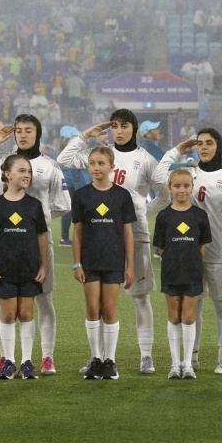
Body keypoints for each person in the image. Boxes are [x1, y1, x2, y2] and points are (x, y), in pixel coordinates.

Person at [59, 110, 169, 375]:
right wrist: (86, 135)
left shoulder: (146, 159)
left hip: (134, 232)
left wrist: (141, 212)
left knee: (140, 296)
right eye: (115, 126)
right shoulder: (101, 153)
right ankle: (99, 358)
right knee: (98, 302)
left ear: (134, 129)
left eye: (125, 126)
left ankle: (146, 355)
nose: (119, 131)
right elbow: (64, 159)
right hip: (99, 234)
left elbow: (164, 195)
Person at [0, 115, 69, 376]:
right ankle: (5, 357)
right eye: (18, 130)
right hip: (6, 242)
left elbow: (63, 204)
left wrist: (36, 222)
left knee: (43, 297)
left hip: (39, 242)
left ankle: (47, 356)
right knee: (4, 299)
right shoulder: (2, 160)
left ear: (37, 133)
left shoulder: (50, 166)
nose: (22, 135)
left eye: (28, 130)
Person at [156, 128, 222, 373]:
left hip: (220, 252)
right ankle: (192, 358)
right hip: (188, 253)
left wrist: (220, 227)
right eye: (200, 143)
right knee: (193, 305)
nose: (204, 147)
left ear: (218, 146)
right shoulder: (189, 174)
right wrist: (177, 150)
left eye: (209, 143)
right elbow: (159, 176)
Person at [0, 155, 49, 380]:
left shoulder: (34, 205)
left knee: (26, 313)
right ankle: (9, 362)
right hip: (4, 270)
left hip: (29, 269)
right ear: (8, 174)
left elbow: (41, 236)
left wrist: (43, 265)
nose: (27, 175)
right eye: (21, 171)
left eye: (28, 171)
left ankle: (26, 362)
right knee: (9, 314)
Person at [71, 146, 137, 380]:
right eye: (92, 163)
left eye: (101, 163)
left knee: (109, 310)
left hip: (113, 261)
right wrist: (77, 264)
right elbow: (77, 232)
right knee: (92, 309)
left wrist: (130, 265)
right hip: (89, 262)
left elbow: (127, 233)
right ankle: (96, 360)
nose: (96, 168)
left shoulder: (122, 196)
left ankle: (110, 361)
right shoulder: (81, 195)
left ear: (111, 166)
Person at [154, 169, 212, 380]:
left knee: (188, 317)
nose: (181, 190)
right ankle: (174, 363)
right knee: (174, 317)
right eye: (177, 186)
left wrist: (192, 263)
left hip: (193, 272)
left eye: (186, 186)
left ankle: (187, 363)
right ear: (170, 188)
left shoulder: (199, 215)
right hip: (171, 272)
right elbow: (161, 247)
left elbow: (202, 246)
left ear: (192, 188)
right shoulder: (164, 216)